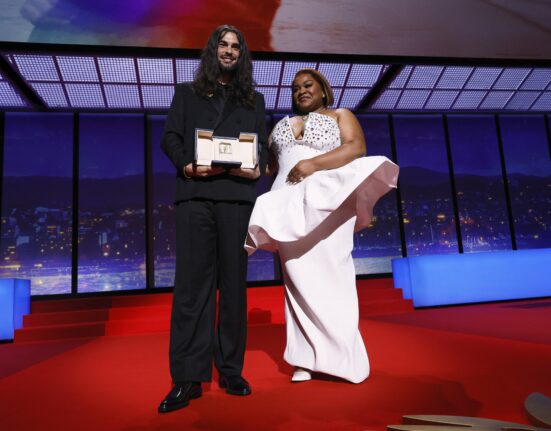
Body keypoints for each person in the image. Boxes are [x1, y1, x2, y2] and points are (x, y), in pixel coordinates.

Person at [246, 69, 398, 383]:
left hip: (328, 200)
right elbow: (268, 167)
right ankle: (304, 360)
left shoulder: (340, 114)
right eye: (295, 88)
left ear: (323, 90)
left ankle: (343, 358)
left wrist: (312, 164)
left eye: (308, 85)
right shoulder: (280, 126)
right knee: (297, 281)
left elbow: (355, 147)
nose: (301, 90)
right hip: (287, 203)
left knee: (333, 276)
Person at [158, 24, 268, 413]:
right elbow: (170, 138)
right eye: (223, 44)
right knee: (192, 288)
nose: (229, 51)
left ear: (242, 55)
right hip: (196, 195)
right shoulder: (186, 93)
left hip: (237, 198)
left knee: (234, 287)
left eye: (236, 46)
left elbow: (262, 147)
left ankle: (231, 371)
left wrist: (257, 168)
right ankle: (187, 378)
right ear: (212, 50)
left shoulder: (254, 99)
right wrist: (187, 166)